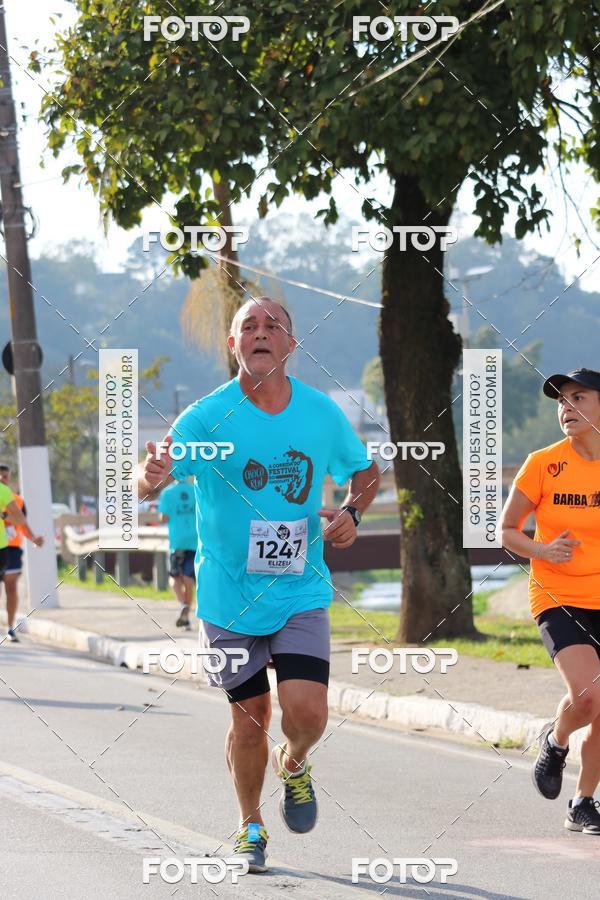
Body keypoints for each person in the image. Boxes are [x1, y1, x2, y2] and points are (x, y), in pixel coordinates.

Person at [138, 297, 380, 872]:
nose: (261, 332)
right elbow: (152, 479)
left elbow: (365, 471)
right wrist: (148, 477)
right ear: (234, 346)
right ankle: (250, 824)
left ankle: (293, 763)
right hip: (227, 598)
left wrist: (353, 512)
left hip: (300, 588)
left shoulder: (321, 414)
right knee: (250, 719)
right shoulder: (204, 417)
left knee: (309, 715)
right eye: (248, 325)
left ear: (292, 344)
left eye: (274, 325)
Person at [501, 368, 600, 835]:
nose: (566, 407)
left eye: (578, 397)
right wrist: (542, 549)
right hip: (559, 594)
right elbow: (506, 530)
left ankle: (583, 802)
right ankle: (556, 741)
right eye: (561, 400)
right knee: (587, 697)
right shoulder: (542, 463)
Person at [0, 463, 44, 642]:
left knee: (11, 588)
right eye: (0, 477)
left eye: (5, 477)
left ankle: (10, 627)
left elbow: (22, 522)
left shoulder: (16, 500)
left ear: (10, 478)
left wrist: (33, 538)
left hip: (11, 548)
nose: (3, 479)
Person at [158, 478, 197, 628]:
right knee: (188, 577)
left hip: (177, 541)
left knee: (174, 577)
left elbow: (164, 517)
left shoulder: (167, 493)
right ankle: (186, 616)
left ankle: (182, 604)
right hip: (194, 540)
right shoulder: (195, 490)